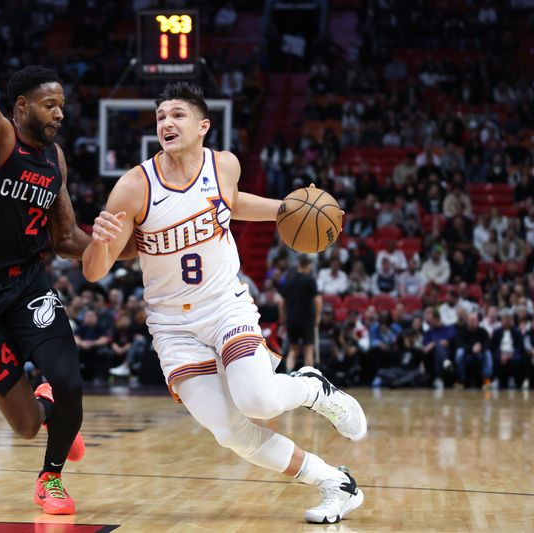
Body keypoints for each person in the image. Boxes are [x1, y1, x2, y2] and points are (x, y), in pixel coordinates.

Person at [81, 82, 366, 524]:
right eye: (160, 117)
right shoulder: (133, 187)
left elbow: (229, 204)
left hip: (224, 307)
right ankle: (335, 482)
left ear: (202, 126)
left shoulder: (224, 166)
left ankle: (312, 387)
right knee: (231, 432)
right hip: (172, 326)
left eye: (177, 115)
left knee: (258, 401)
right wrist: (99, 244)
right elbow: (94, 271)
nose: (166, 123)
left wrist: (287, 209)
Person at [0, 8, 133, 515]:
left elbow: (67, 237)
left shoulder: (56, 162)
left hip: (29, 286)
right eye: (50, 105)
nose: (60, 114)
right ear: (22, 106)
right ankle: (48, 411)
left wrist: (126, 248)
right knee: (27, 425)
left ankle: (50, 479)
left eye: (63, 106)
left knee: (72, 382)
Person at [280, 255, 323, 372]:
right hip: (307, 320)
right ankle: (309, 378)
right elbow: (318, 300)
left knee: (293, 350)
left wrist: (283, 318)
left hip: (292, 320)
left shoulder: (290, 280)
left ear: (299, 264)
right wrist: (318, 317)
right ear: (308, 265)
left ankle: (289, 374)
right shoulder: (310, 280)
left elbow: (281, 302)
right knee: (308, 350)